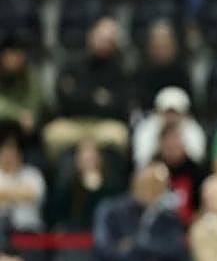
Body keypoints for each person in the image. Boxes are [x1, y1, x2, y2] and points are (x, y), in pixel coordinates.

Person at [42, 17, 132, 158]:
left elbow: (119, 106)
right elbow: (64, 99)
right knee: (52, 134)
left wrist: (81, 94)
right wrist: (97, 98)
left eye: (109, 41)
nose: (104, 44)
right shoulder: (71, 64)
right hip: (73, 122)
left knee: (120, 136)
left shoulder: (119, 71)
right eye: (101, 38)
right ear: (90, 36)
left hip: (103, 125)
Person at [45, 139, 121, 230]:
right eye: (85, 157)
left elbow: (115, 210)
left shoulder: (112, 186)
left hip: (105, 231)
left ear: (100, 159)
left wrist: (96, 187)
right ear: (77, 161)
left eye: (92, 157)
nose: (89, 161)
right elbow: (56, 214)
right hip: (75, 231)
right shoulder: (67, 187)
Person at [132, 86, 207, 169]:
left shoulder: (193, 130)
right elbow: (141, 162)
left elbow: (198, 159)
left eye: (175, 113)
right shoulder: (147, 130)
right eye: (168, 112)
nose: (171, 117)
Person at [0, 126, 44, 233]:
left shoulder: (32, 174)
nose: (9, 156)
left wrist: (5, 194)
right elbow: (25, 194)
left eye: (13, 152)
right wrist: (19, 192)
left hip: (29, 229)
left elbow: (33, 195)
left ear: (20, 154)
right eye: (6, 153)